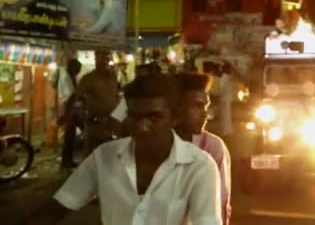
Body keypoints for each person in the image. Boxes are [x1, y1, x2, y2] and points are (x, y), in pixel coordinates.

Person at [26, 74, 222, 225]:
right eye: (135, 116)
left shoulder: (199, 166)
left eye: (153, 117)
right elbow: (58, 207)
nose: (141, 126)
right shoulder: (105, 156)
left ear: (174, 118)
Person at [174, 74, 232, 225]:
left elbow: (221, 203)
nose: (205, 114)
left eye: (206, 106)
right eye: (197, 106)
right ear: (176, 108)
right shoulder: (155, 144)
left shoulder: (212, 147)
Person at [74, 50, 120, 153]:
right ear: (96, 60)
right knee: (93, 153)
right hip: (95, 122)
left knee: (111, 153)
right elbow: (77, 97)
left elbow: (116, 96)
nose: (104, 61)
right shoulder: (88, 78)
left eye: (106, 59)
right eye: (101, 58)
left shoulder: (113, 76)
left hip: (112, 122)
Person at [59, 59, 82, 169]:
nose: (78, 71)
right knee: (68, 137)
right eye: (77, 69)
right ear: (72, 67)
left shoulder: (71, 76)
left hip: (72, 109)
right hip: (68, 109)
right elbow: (71, 97)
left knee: (71, 137)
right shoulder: (66, 78)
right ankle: (65, 162)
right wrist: (67, 114)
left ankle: (69, 160)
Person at [218, 64, 234, 137]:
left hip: (225, 99)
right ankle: (226, 131)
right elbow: (223, 89)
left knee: (226, 116)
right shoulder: (226, 78)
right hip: (226, 99)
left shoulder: (225, 77)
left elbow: (222, 89)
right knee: (226, 116)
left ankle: (227, 131)